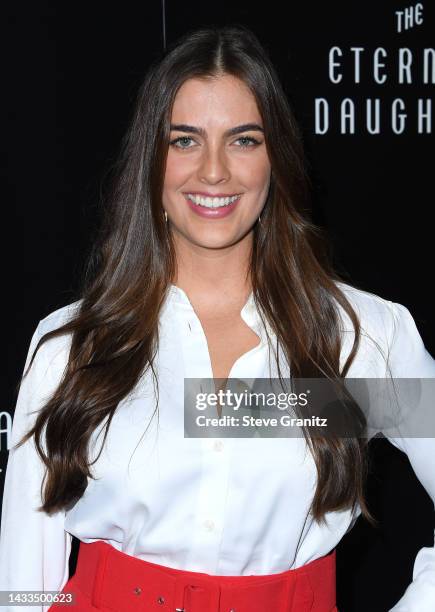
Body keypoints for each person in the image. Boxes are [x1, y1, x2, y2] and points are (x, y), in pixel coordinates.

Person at [0, 24, 434, 612]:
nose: (213, 171)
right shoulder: (72, 347)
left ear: (275, 159)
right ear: (152, 163)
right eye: (184, 140)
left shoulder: (360, 339)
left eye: (243, 140)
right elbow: (22, 586)